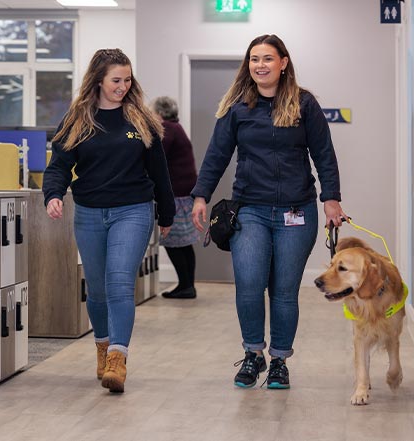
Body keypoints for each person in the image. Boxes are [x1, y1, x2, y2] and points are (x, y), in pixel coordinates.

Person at [190, 34, 347, 389]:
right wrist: (200, 195)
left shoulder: (304, 104)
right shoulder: (237, 107)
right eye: (254, 59)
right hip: (251, 210)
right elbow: (217, 155)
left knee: (285, 290)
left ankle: (279, 361)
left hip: (297, 211)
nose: (260, 65)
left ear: (283, 63)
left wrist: (331, 198)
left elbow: (324, 154)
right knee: (248, 285)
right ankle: (253, 354)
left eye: (267, 58)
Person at [43, 48, 175, 393]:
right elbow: (58, 165)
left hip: (133, 209)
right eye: (116, 80)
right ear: (98, 80)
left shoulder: (141, 120)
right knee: (98, 289)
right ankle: (102, 346)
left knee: (119, 283)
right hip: (88, 211)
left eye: (127, 80)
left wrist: (167, 212)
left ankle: (118, 357)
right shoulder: (77, 120)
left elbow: (159, 171)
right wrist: (53, 194)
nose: (122, 86)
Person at [152, 96, 199, 299]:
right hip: (185, 192)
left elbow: (155, 158)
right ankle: (187, 284)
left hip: (176, 195)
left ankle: (186, 286)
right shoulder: (176, 128)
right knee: (184, 243)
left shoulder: (167, 130)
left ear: (160, 114)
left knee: (173, 241)